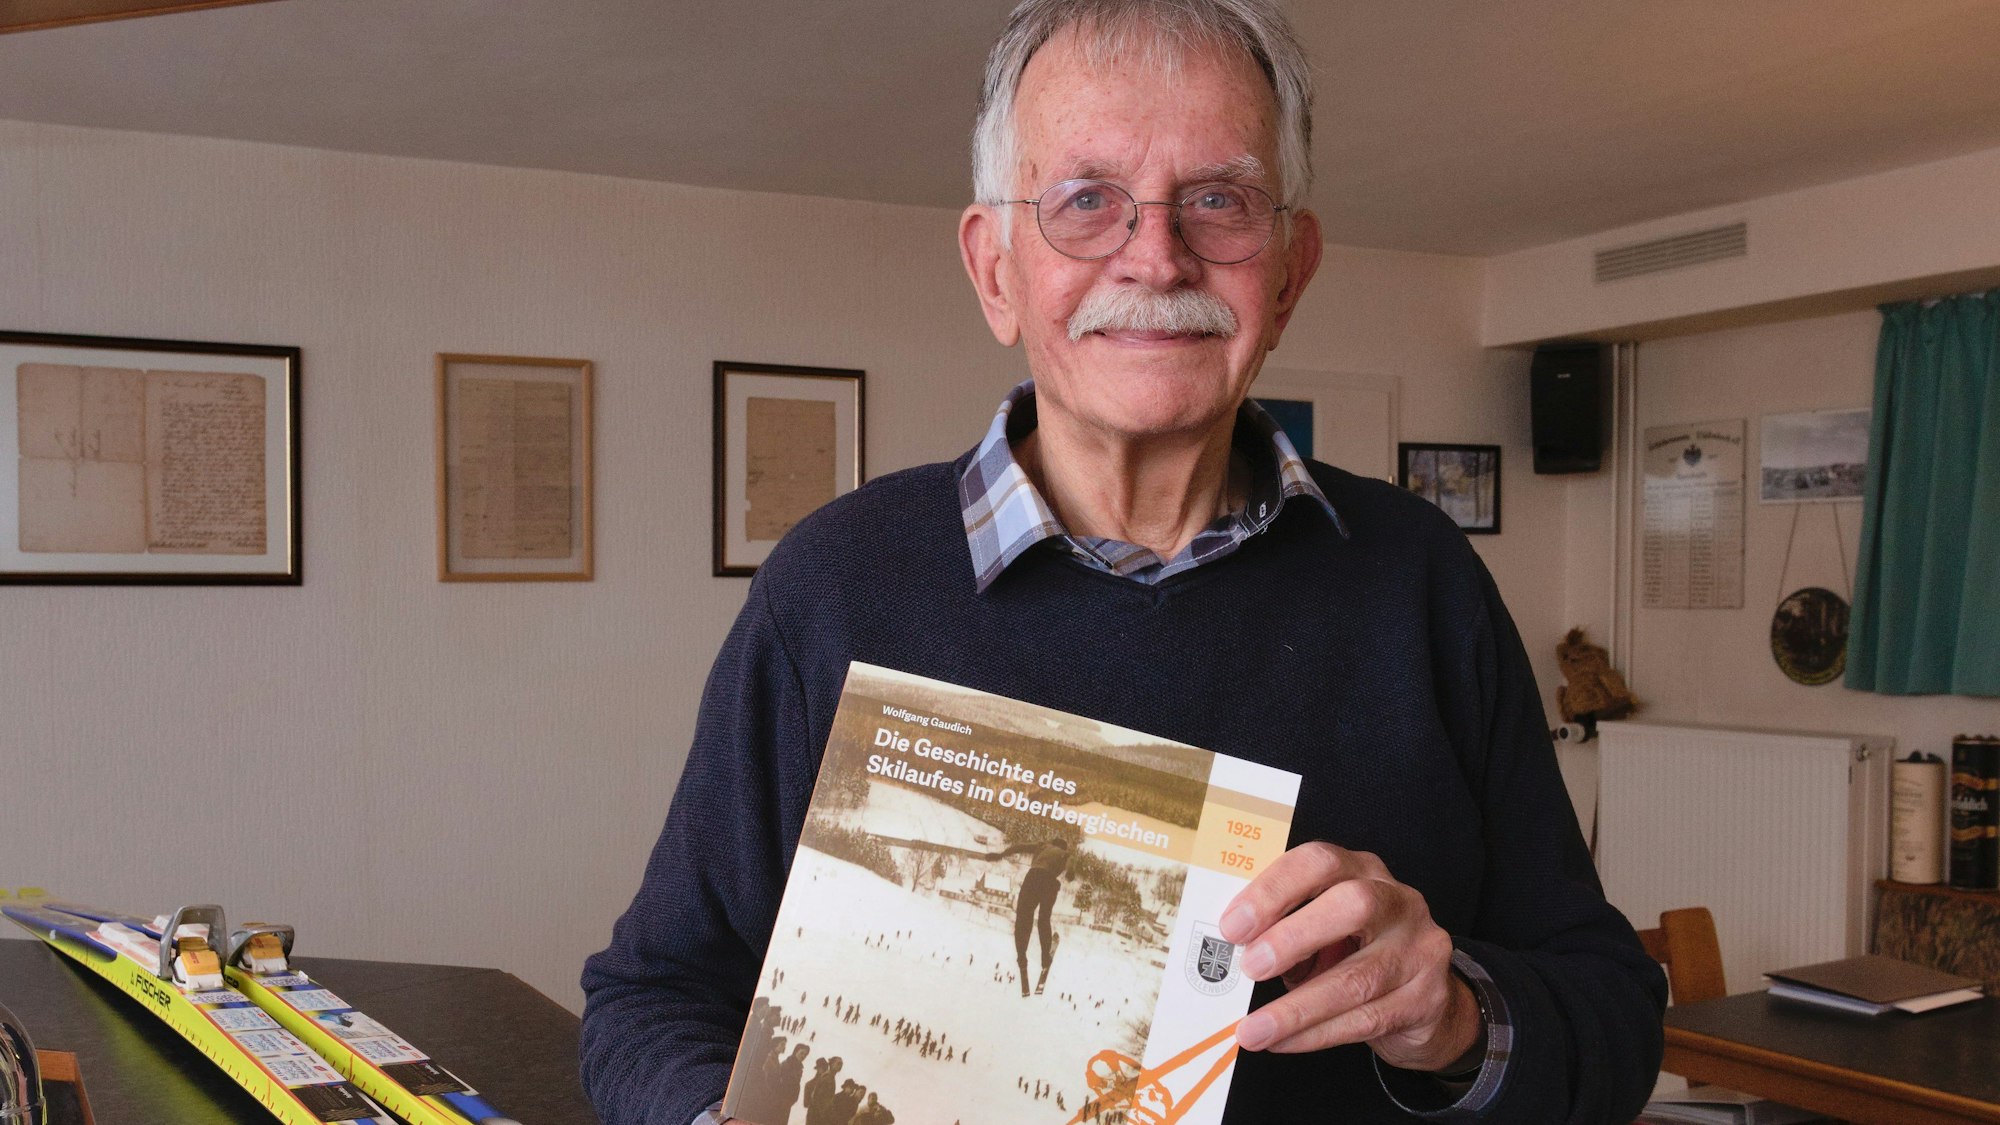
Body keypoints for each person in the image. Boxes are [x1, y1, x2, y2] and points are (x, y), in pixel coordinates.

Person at [579, 0, 1666, 1121]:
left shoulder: (1421, 579)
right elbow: (650, 999)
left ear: (1287, 275)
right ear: (995, 271)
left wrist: (1453, 1015)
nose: (1155, 257)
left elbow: (1615, 1018)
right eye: (1086, 200)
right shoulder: (835, 585)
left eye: (1219, 199)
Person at [988, 836, 1071, 994]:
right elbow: (1072, 864)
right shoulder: (1065, 854)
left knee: (1023, 919)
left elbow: (1019, 845)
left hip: (1032, 878)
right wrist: (1070, 873)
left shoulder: (1042, 846)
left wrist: (1000, 855)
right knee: (1043, 920)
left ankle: (1021, 957)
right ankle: (1045, 958)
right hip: (1050, 882)